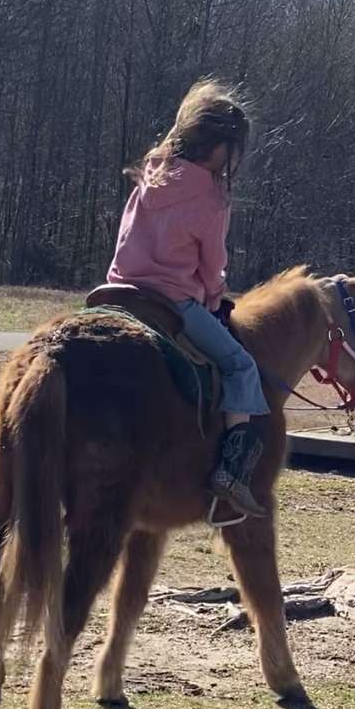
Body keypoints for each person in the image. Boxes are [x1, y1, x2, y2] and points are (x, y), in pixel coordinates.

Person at [107, 79, 269, 517]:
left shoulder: (154, 169)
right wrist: (215, 299)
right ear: (220, 145)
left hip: (116, 292)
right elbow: (211, 265)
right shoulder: (213, 196)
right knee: (240, 365)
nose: (234, 159)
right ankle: (230, 475)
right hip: (172, 302)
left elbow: (125, 233)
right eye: (233, 149)